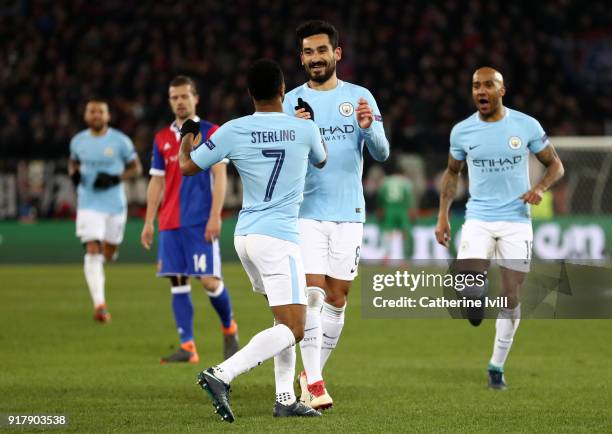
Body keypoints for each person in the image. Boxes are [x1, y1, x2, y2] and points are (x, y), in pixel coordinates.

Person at [179, 59, 327, 422]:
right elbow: (321, 161)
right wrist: (308, 125)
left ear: (249, 94)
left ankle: (285, 398)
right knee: (295, 326)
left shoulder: (232, 130)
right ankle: (222, 374)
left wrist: (187, 137)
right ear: (282, 91)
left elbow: (187, 167)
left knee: (282, 318)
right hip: (280, 239)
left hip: (245, 237)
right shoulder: (303, 130)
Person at [435, 67, 564, 390]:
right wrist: (443, 215)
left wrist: (540, 188)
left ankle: (496, 365)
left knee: (511, 296)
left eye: (488, 85)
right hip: (478, 218)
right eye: (476, 85)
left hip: (517, 222)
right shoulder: (462, 131)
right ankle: (474, 297)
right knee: (471, 293)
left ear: (501, 90)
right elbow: (452, 174)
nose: (481, 90)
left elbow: (555, 165)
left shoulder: (526, 125)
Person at [283, 20, 390, 409]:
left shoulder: (360, 97)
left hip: (349, 211)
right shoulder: (290, 102)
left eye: (321, 51)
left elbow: (381, 153)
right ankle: (314, 383)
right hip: (305, 211)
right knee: (312, 294)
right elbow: (278, 160)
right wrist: (293, 135)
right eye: (308, 52)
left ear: (336, 54)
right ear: (301, 58)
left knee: (337, 298)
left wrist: (369, 129)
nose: (315, 58)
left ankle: (310, 371)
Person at [140, 76, 238, 363]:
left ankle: (229, 326)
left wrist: (215, 216)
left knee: (208, 281)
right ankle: (187, 346)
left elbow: (220, 176)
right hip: (170, 223)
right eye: (175, 97)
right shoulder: (161, 139)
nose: (180, 101)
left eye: (185, 96)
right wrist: (149, 221)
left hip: (199, 222)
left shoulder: (212, 132)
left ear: (196, 98)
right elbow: (156, 183)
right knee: (177, 281)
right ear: (170, 101)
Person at [68, 98, 142, 322]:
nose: (96, 115)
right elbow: (73, 162)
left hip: (115, 205)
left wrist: (115, 178)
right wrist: (74, 174)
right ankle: (100, 305)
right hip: (88, 203)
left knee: (108, 253)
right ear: (86, 115)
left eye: (100, 111)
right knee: (92, 248)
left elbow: (137, 168)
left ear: (108, 116)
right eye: (92, 111)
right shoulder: (78, 141)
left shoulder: (120, 141)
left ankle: (106, 254)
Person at [376, 162, 415, 264]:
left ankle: (386, 256)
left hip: (389, 209)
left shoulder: (386, 181)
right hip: (402, 209)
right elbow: (409, 197)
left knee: (388, 232)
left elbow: (380, 196)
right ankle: (404, 258)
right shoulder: (405, 182)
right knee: (405, 233)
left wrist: (380, 208)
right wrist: (411, 210)